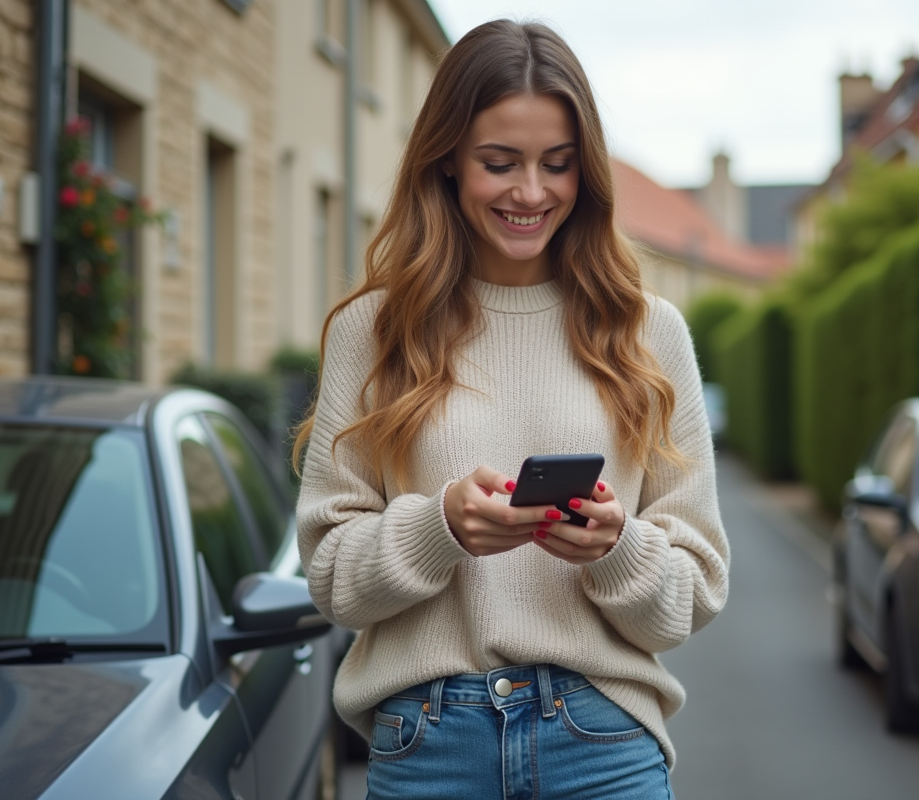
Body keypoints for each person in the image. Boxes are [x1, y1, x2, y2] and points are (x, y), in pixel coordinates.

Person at [294, 18, 729, 800]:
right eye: (500, 163)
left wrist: (616, 547)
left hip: (601, 742)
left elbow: (694, 592)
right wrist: (440, 528)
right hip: (428, 744)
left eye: (557, 164)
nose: (531, 192)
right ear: (448, 160)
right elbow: (331, 579)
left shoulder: (648, 333)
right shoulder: (374, 330)